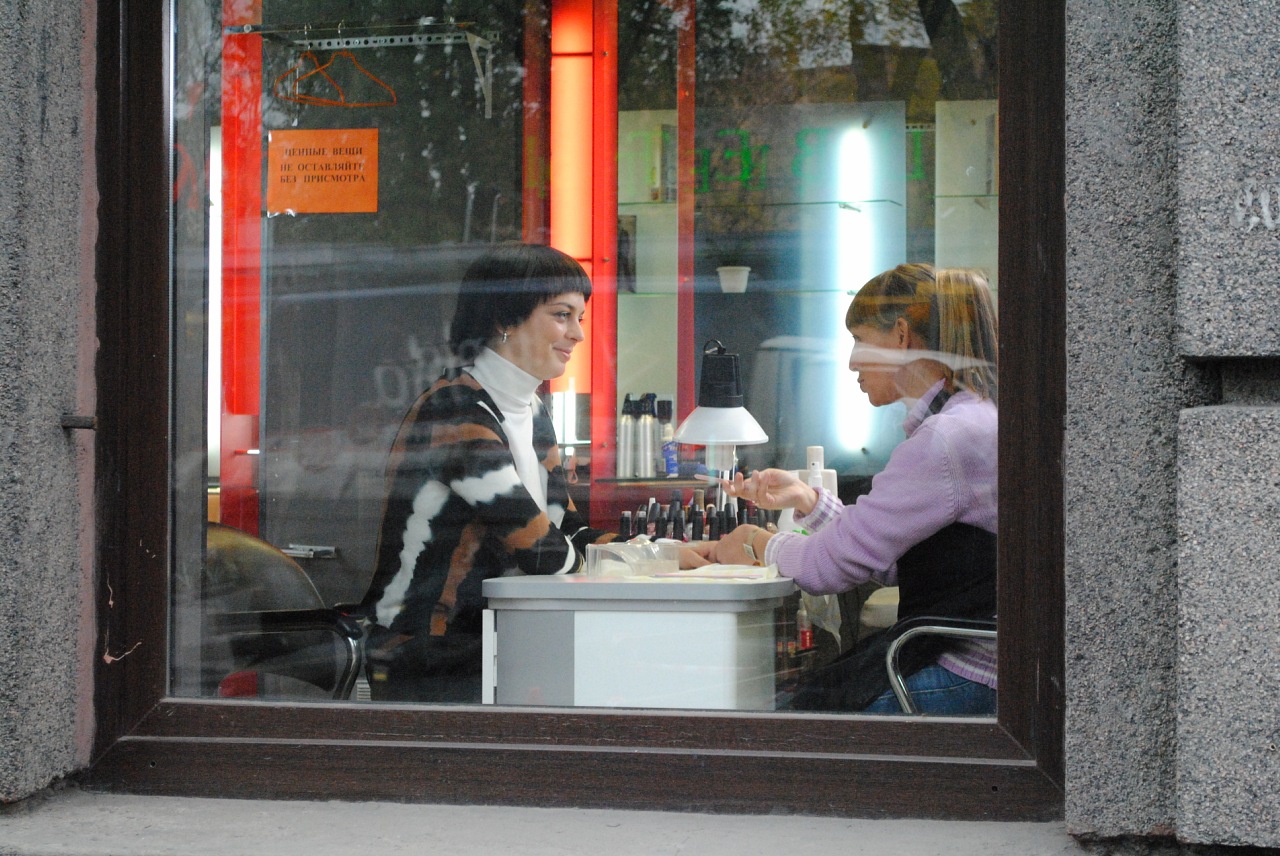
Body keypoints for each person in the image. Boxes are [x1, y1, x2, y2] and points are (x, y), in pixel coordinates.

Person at [688, 264, 999, 714]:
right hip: (974, 657)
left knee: (797, 725)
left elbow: (828, 568)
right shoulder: (972, 419)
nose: (852, 361)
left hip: (966, 670)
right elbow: (899, 556)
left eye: (859, 339)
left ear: (901, 335)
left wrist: (754, 542)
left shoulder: (947, 438)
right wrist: (809, 502)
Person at [360, 243, 617, 702]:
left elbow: (566, 528)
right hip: (427, 647)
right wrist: (642, 564)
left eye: (580, 317)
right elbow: (543, 552)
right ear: (505, 318)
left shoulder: (532, 408)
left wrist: (673, 554)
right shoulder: (456, 409)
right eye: (562, 315)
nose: (578, 334)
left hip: (493, 639)